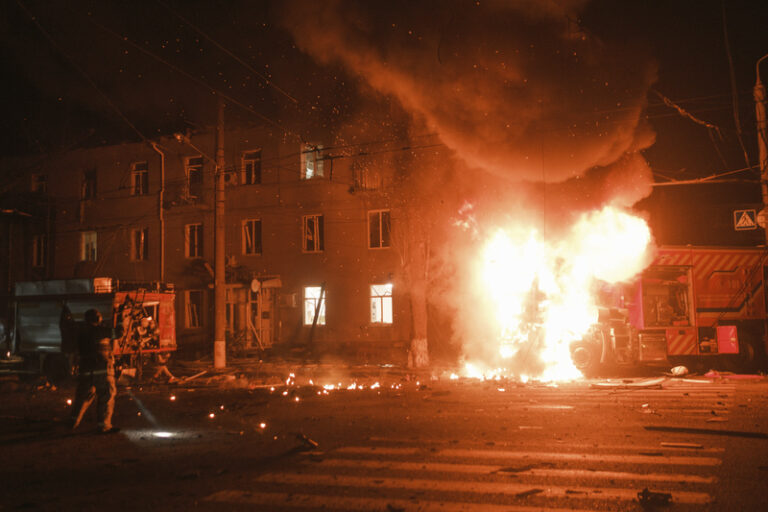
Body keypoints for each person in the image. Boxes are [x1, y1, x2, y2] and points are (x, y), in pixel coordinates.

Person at [70, 308, 119, 434]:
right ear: (98, 319)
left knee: (83, 398)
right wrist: (120, 319)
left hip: (85, 371)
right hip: (101, 371)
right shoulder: (100, 331)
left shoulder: (81, 333)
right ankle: (104, 425)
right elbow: (118, 333)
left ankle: (72, 422)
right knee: (106, 395)